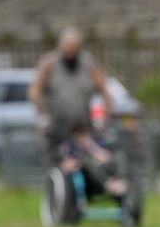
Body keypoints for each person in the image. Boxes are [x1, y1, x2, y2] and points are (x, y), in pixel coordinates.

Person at [29, 26, 114, 165]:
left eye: (74, 49)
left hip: (83, 129)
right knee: (60, 166)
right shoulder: (49, 64)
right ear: (59, 46)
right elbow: (34, 92)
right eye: (67, 49)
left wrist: (104, 121)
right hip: (56, 129)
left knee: (92, 162)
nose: (70, 53)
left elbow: (106, 94)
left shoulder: (89, 64)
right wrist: (43, 116)